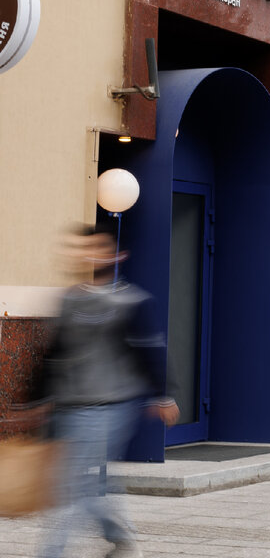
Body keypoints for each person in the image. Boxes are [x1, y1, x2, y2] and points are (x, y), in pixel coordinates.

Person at [33, 225, 179, 558]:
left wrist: (163, 394)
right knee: (86, 483)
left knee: (72, 486)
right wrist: (39, 400)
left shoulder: (131, 301)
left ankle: (51, 552)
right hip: (68, 406)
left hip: (110, 406)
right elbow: (54, 352)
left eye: (99, 248)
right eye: (85, 248)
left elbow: (150, 350)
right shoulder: (70, 299)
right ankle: (123, 538)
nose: (90, 254)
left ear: (116, 255)